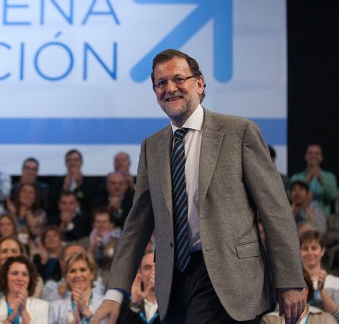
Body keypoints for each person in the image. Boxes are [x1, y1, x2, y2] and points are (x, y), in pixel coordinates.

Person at [91, 49, 304, 324]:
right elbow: (136, 226)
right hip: (173, 283)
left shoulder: (239, 132)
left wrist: (289, 280)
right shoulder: (151, 147)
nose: (170, 88)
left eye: (179, 79)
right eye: (161, 83)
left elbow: (275, 211)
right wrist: (114, 293)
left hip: (231, 279)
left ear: (199, 83)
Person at [0, 255, 49, 324]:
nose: (20, 278)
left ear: (30, 279)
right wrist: (12, 317)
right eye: (15, 273)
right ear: (5, 277)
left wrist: (23, 311)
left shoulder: (42, 306)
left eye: (24, 274)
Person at [261, 268, 336, 324]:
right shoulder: (270, 320)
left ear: (308, 290)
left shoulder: (325, 319)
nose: (294, 294)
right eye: (289, 289)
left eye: (299, 288)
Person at [49, 252, 104, 324]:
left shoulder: (104, 303)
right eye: (72, 271)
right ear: (66, 278)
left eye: (82, 270)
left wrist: (86, 312)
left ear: (92, 274)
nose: (78, 275)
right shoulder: (55, 307)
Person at [299, 230, 339, 321]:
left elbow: (337, 316)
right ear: (299, 252)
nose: (310, 252)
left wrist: (322, 290)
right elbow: (279, 314)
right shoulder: (293, 282)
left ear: (322, 251)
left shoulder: (335, 282)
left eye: (314, 248)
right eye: (305, 248)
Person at [291, 144, 338, 217]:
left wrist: (321, 179)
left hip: (323, 220)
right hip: (299, 218)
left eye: (317, 153)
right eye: (310, 153)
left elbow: (332, 197)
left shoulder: (329, 177)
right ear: (305, 156)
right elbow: (290, 197)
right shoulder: (296, 177)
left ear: (321, 157)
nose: (313, 156)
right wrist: (306, 182)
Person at [118, 252, 160, 324]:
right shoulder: (125, 304)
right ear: (139, 274)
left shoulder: (172, 305)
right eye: (147, 268)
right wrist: (135, 305)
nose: (153, 272)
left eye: (158, 267)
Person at [7, 182, 47, 247]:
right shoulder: (10, 212)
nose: (27, 195)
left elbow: (35, 232)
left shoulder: (40, 213)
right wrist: (13, 215)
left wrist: (28, 213)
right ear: (19, 195)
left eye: (31, 193)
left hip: (32, 246)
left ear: (35, 197)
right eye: (24, 191)